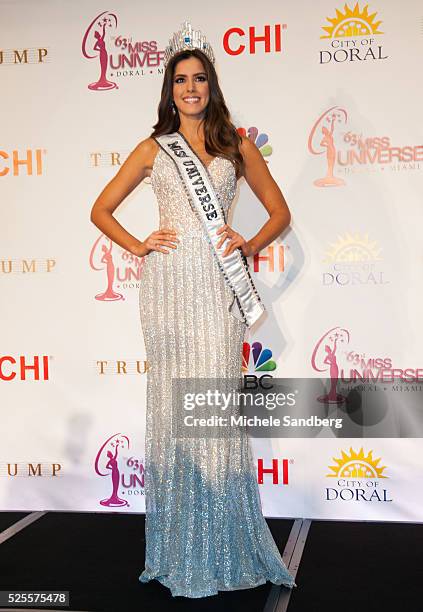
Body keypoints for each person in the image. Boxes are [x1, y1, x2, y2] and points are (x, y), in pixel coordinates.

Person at [90, 21, 295, 599]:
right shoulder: (153, 149)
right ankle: (178, 549)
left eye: (199, 77)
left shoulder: (235, 146)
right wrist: (138, 245)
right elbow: (101, 209)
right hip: (168, 291)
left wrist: (249, 245)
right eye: (180, 79)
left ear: (212, 84)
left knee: (213, 412)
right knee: (173, 412)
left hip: (216, 289)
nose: (190, 87)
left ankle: (225, 547)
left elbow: (279, 212)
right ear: (169, 88)